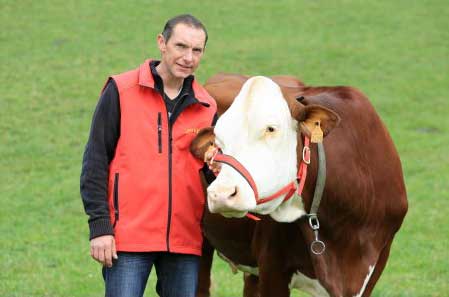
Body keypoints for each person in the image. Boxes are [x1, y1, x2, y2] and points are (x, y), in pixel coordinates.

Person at [80, 14, 217, 297]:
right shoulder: (121, 90)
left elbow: (208, 173)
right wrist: (100, 227)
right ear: (162, 43)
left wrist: (218, 169)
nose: (188, 57)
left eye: (197, 50)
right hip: (128, 238)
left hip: (184, 240)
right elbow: (95, 160)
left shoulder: (207, 106)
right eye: (181, 46)